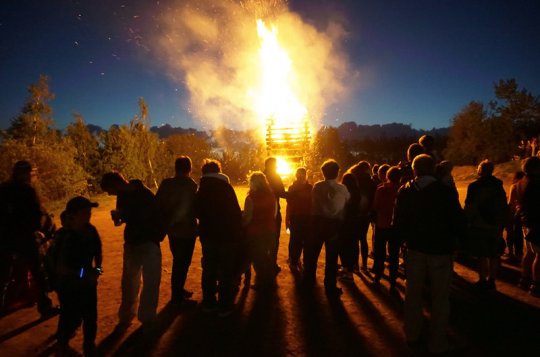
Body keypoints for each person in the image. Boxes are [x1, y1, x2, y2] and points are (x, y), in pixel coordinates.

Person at [393, 154, 465, 354]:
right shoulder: (445, 192)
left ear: (414, 169)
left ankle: (412, 334)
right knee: (440, 297)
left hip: (415, 249)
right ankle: (437, 342)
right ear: (433, 169)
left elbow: (398, 222)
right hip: (441, 250)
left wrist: (401, 243)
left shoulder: (405, 191)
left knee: (413, 293)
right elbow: (457, 220)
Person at [100, 172, 163, 330]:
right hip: (132, 243)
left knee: (150, 281)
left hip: (148, 241)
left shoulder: (145, 194)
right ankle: (127, 315)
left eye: (109, 189)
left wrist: (124, 215)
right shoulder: (122, 194)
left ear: (116, 183)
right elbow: (122, 220)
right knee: (129, 282)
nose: (109, 194)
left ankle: (147, 316)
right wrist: (118, 218)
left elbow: (148, 218)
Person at [0, 160, 57, 316]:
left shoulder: (3, 188)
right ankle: (45, 306)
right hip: (24, 237)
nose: (32, 176)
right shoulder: (27, 190)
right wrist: (43, 230)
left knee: (4, 273)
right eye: (31, 173)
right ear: (26, 173)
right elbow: (37, 213)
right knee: (38, 270)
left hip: (5, 237)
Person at [48, 197, 102, 356]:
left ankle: (89, 346)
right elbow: (62, 269)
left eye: (89, 211)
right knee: (71, 316)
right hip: (69, 285)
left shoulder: (90, 230)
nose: (89, 214)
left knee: (91, 317)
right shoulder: (65, 237)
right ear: (73, 215)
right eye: (85, 212)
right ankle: (62, 343)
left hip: (87, 282)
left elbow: (98, 252)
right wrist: (86, 274)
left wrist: (97, 270)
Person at [195, 159, 242, 317]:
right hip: (227, 236)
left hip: (208, 236)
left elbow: (196, 212)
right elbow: (235, 213)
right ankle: (224, 305)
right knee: (226, 271)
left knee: (208, 269)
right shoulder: (226, 187)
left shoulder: (201, 190)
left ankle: (209, 303)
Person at [155, 156, 198, 305]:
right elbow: (195, 207)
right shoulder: (191, 185)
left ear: (176, 168)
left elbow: (158, 205)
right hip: (188, 231)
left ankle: (178, 290)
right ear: (190, 168)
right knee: (183, 262)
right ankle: (176, 295)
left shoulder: (166, 184)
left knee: (178, 260)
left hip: (172, 230)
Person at [304, 160, 350, 297]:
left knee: (312, 254)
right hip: (334, 225)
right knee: (332, 257)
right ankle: (330, 285)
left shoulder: (317, 187)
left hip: (317, 223)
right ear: (338, 172)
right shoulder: (342, 189)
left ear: (323, 173)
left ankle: (309, 281)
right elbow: (348, 200)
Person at [464, 160, 507, 290]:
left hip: (479, 223)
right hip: (495, 224)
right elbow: (503, 205)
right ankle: (492, 280)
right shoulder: (498, 185)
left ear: (480, 170)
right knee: (494, 254)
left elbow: (470, 207)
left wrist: (467, 221)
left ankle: (482, 279)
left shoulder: (474, 186)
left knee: (482, 254)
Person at [243, 172, 277, 290]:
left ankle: (262, 283)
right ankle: (269, 281)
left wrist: (241, 226)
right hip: (270, 230)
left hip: (255, 232)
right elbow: (274, 213)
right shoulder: (271, 195)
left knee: (258, 259)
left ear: (253, 182)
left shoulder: (251, 198)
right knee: (265, 257)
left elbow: (248, 217)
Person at [372, 166, 402, 290]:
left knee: (380, 253)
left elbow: (375, 206)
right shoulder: (402, 189)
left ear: (387, 176)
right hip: (395, 226)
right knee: (394, 254)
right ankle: (393, 280)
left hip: (381, 224)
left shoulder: (381, 189)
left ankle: (378, 276)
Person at [518, 156, 540, 297]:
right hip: (536, 222)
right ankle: (536, 284)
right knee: (539, 255)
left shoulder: (521, 182)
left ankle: (524, 279)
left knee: (529, 253)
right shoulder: (536, 183)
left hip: (526, 221)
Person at [285, 168, 312, 272]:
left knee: (295, 239)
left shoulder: (292, 188)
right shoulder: (310, 187)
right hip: (307, 217)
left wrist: (288, 219)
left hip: (296, 217)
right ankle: (306, 262)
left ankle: (294, 261)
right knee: (306, 240)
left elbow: (289, 203)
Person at [352, 161, 377, 272]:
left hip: (355, 213)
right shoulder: (370, 182)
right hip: (366, 214)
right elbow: (373, 197)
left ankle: (355, 265)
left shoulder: (354, 179)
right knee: (363, 239)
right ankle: (365, 265)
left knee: (355, 240)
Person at [263, 157, 287, 273]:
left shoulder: (260, 177)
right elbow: (282, 193)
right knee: (274, 238)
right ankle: (272, 263)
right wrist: (295, 193)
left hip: (261, 212)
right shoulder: (275, 176)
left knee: (262, 237)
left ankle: (262, 264)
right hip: (274, 212)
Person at [506, 171, 525, 261]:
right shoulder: (525, 186)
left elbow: (510, 202)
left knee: (510, 233)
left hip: (513, 213)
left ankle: (511, 253)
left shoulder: (514, 186)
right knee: (519, 234)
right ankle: (519, 253)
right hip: (521, 212)